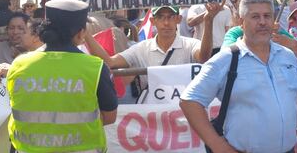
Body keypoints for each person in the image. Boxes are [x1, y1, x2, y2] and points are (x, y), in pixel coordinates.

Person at [180, 0, 297, 153]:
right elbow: (189, 101)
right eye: (255, 16)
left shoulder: (286, 56)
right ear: (241, 21)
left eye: (267, 16)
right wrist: (216, 144)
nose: (263, 22)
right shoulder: (225, 60)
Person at [3, 0, 117, 153]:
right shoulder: (95, 67)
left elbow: (16, 105)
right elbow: (109, 116)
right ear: (81, 33)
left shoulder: (19, 64)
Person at [85, 5, 217, 90]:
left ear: (178, 19)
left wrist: (209, 21)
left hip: (183, 116)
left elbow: (204, 57)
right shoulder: (141, 48)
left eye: (170, 17)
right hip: (152, 121)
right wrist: (85, 34)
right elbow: (110, 62)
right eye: (161, 17)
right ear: (153, 21)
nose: (166, 23)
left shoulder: (190, 44)